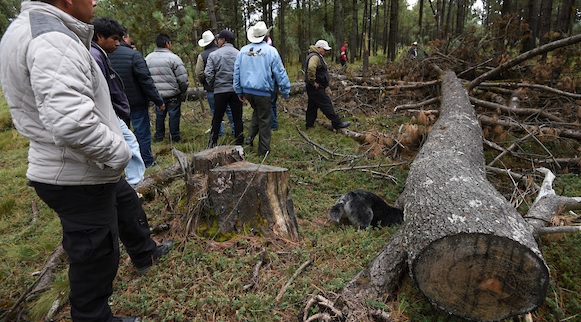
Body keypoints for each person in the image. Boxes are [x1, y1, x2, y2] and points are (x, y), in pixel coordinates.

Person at [0, 1, 139, 320]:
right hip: (79, 171)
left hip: (64, 165)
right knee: (95, 257)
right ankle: (93, 317)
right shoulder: (52, 38)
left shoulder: (26, 29)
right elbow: (72, 123)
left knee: (92, 250)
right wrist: (119, 155)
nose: (94, 2)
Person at [90, 17, 145, 186]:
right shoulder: (95, 56)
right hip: (105, 111)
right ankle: (135, 182)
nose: (118, 43)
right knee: (128, 142)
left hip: (108, 110)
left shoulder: (98, 54)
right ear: (99, 36)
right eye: (114, 39)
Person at [110, 26, 165, 168]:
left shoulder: (105, 55)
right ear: (124, 38)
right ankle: (147, 161)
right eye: (128, 37)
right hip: (137, 103)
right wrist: (158, 100)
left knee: (120, 135)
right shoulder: (134, 55)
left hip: (115, 104)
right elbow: (146, 80)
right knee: (142, 134)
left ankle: (125, 163)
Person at [234, 21, 290, 156]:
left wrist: (239, 90)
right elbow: (280, 72)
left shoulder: (243, 51)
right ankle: (263, 151)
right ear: (266, 35)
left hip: (248, 90)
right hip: (263, 91)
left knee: (258, 113)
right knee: (265, 120)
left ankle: (249, 138)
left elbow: (236, 71)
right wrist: (285, 90)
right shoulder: (271, 51)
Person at [146, 34, 189, 143]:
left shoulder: (148, 58)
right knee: (174, 115)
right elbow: (182, 78)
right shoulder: (174, 58)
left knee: (159, 115)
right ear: (167, 44)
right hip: (172, 93)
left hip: (156, 94)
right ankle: (175, 137)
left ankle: (159, 136)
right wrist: (182, 90)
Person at [205, 29, 244, 147]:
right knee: (237, 118)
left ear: (223, 40)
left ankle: (213, 142)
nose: (217, 41)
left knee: (217, 118)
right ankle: (239, 143)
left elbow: (208, 73)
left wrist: (213, 84)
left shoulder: (214, 55)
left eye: (219, 39)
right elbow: (243, 72)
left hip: (220, 91)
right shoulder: (239, 54)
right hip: (235, 91)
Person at [195, 30, 235, 137]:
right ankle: (235, 130)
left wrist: (206, 82)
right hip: (229, 87)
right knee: (230, 111)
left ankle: (220, 133)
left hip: (212, 89)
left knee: (216, 112)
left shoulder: (202, 55)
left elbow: (199, 73)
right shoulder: (222, 52)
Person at [305, 40, 351, 130]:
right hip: (315, 87)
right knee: (326, 104)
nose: (325, 52)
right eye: (324, 49)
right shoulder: (315, 57)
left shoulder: (316, 56)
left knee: (312, 106)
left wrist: (325, 85)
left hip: (314, 87)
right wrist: (313, 81)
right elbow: (311, 68)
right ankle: (337, 123)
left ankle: (309, 125)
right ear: (319, 48)